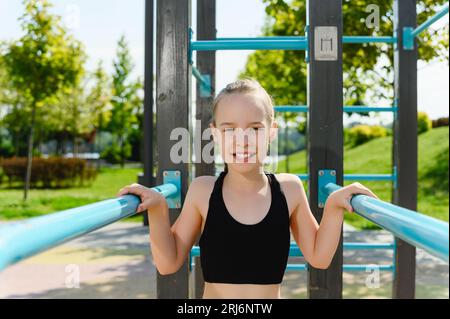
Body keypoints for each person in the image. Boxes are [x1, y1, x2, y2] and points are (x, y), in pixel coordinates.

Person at [117, 78, 379, 299]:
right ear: (216, 134)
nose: (242, 141)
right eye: (229, 129)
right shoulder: (203, 191)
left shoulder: (289, 190)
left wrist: (334, 205)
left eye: (254, 129)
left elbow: (319, 258)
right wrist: (158, 210)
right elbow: (168, 263)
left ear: (271, 132)